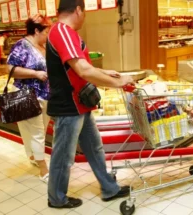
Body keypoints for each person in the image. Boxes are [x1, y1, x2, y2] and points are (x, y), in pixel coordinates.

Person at [46, 0, 135, 209]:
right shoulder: (62, 31)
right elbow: (83, 70)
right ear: (78, 10)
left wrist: (106, 73)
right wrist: (118, 82)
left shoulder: (65, 33)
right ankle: (56, 198)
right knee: (63, 156)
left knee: (94, 148)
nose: (84, 17)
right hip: (69, 106)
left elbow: (78, 65)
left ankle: (109, 188)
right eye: (84, 12)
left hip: (80, 104)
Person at [7, 14, 51, 183]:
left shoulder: (44, 46)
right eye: (45, 31)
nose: (47, 35)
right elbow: (10, 69)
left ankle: (33, 156)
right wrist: (35, 73)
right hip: (26, 94)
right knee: (37, 132)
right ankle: (43, 170)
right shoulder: (22, 45)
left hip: (44, 95)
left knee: (37, 130)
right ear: (36, 30)